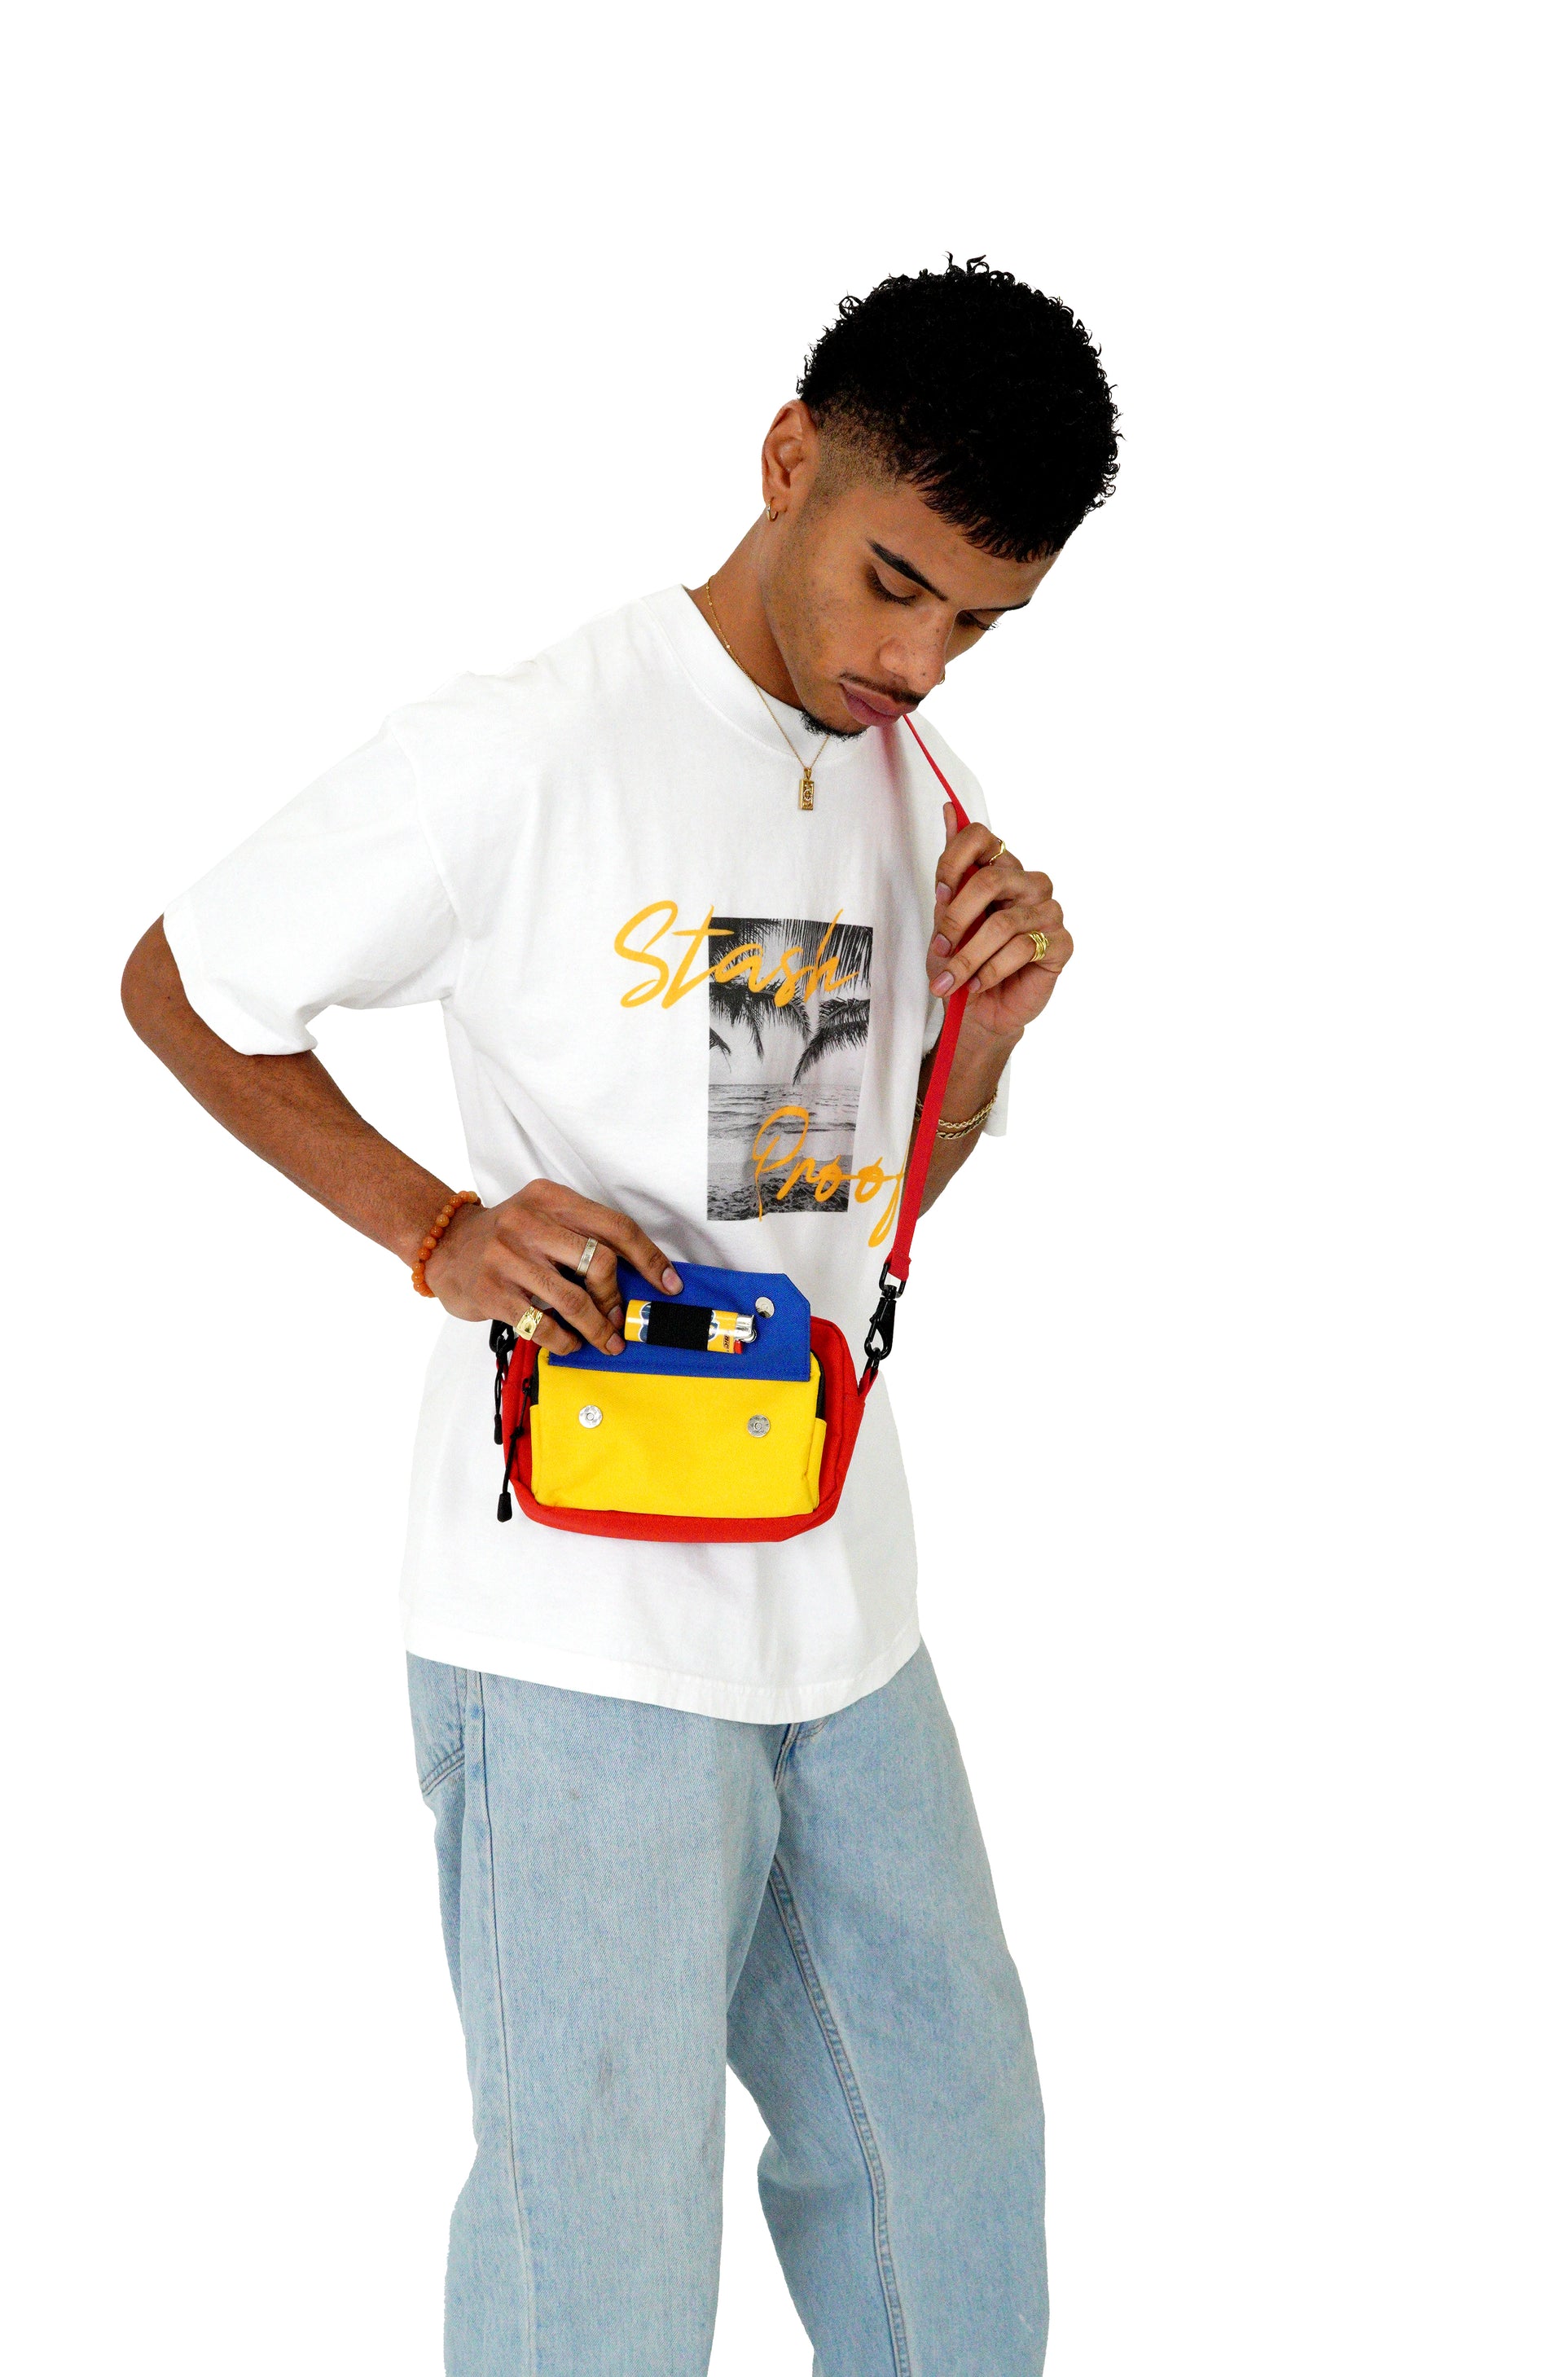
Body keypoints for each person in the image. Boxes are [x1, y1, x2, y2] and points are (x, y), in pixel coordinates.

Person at [122, 254, 1118, 2376]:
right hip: (571, 1628)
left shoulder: (881, 776)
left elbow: (809, 1206)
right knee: (603, 2238)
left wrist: (975, 1046)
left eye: (974, 623)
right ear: (785, 463)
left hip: (834, 1606)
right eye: (892, 581)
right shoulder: (527, 749)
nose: (915, 657)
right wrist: (437, 1226)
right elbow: (192, 986)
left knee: (949, 2154)